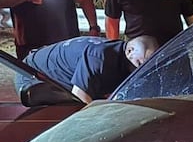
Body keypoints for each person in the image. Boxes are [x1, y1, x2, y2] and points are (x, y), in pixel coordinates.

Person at [17, 34, 159, 105]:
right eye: (140, 63)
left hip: (63, 78)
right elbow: (82, 99)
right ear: (130, 50)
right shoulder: (99, 57)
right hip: (31, 76)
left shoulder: (125, 59)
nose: (142, 69)